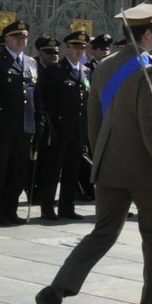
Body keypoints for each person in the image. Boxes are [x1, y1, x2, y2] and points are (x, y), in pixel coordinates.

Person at [36, 0, 152, 304]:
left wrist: (100, 152)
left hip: (110, 162)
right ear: (148, 34)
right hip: (146, 168)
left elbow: (93, 118)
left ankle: (57, 289)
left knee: (103, 232)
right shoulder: (151, 69)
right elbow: (151, 123)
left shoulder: (105, 65)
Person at [0, 20, 38, 225]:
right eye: (16, 37)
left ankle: (11, 210)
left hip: (24, 126)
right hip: (1, 126)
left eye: (24, 37)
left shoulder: (30, 63)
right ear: (7, 39)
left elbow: (32, 96)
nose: (21, 40)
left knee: (18, 172)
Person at [35, 31, 91, 220]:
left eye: (82, 48)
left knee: (72, 170)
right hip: (58, 129)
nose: (79, 51)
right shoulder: (55, 70)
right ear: (67, 49)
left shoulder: (85, 71)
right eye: (75, 47)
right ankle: (47, 207)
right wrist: (49, 125)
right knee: (53, 170)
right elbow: (45, 100)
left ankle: (67, 207)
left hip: (77, 130)